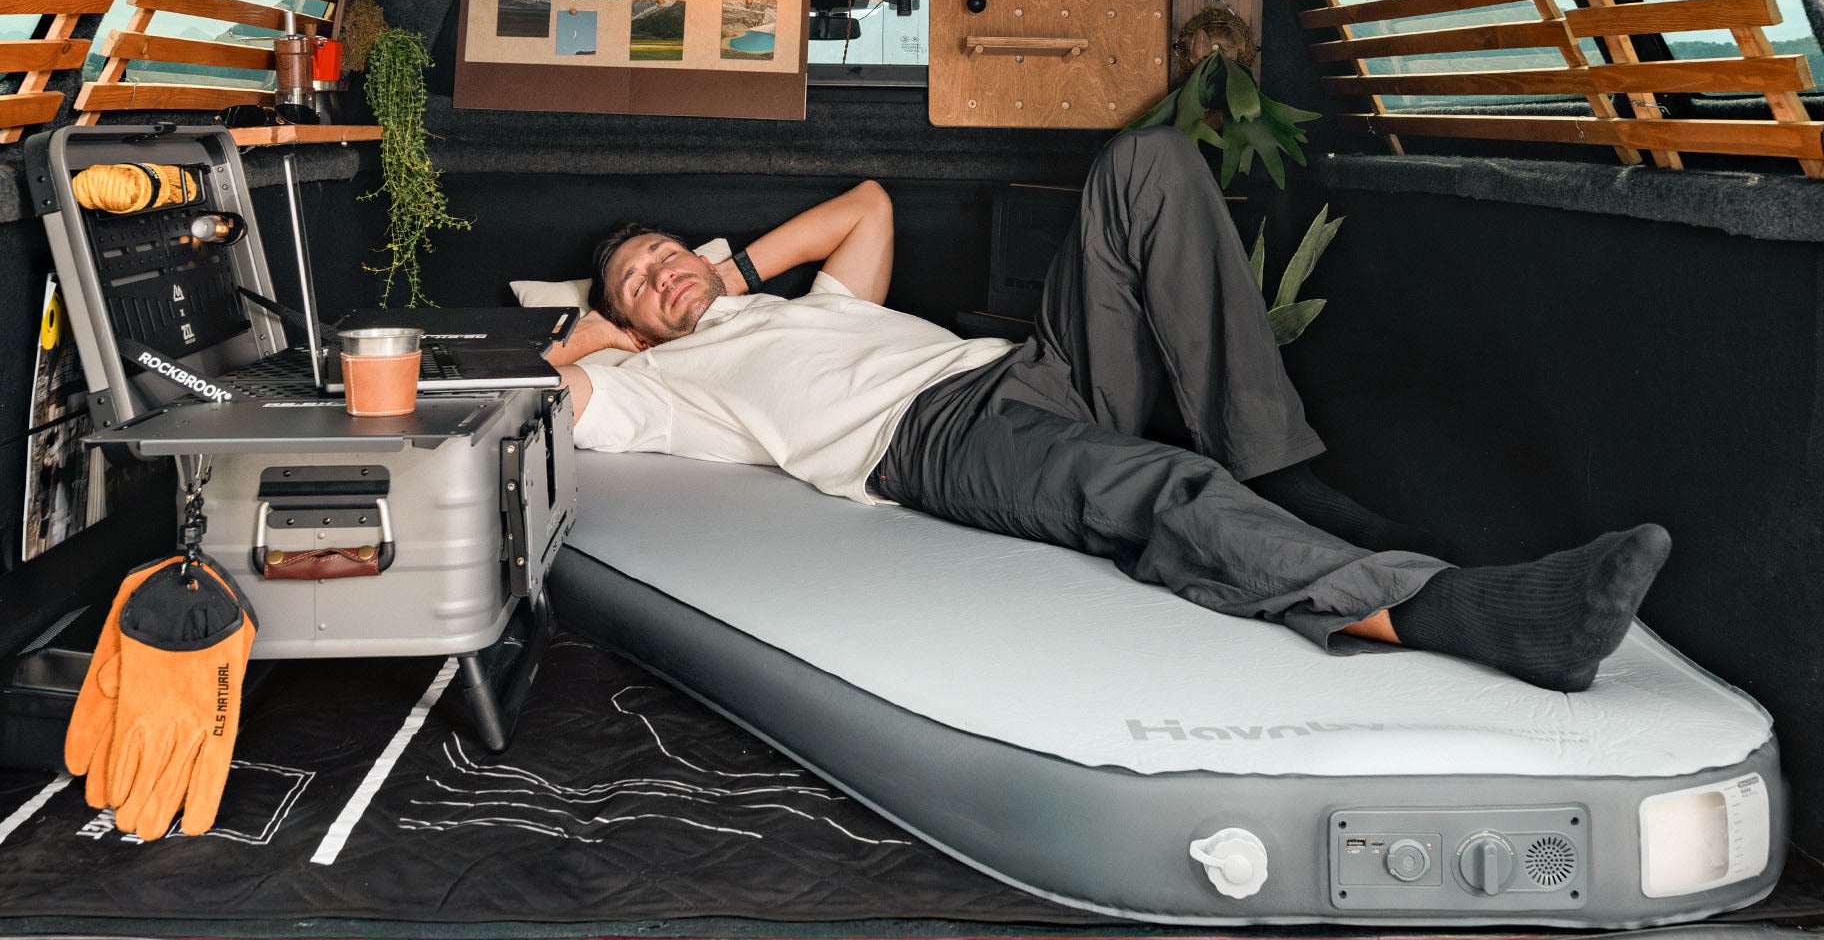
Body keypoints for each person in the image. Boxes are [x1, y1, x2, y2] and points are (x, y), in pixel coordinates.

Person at [548, 128, 1670, 693]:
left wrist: (730, 269)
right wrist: (596, 334)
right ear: (633, 325)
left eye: (666, 253)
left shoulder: (793, 303)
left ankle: (1268, 463)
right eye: (640, 282)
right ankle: (1443, 613)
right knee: (1156, 490)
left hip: (1036, 366)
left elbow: (866, 206)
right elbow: (559, 391)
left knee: (1148, 163)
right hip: (937, 437)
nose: (663, 273)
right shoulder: (663, 386)